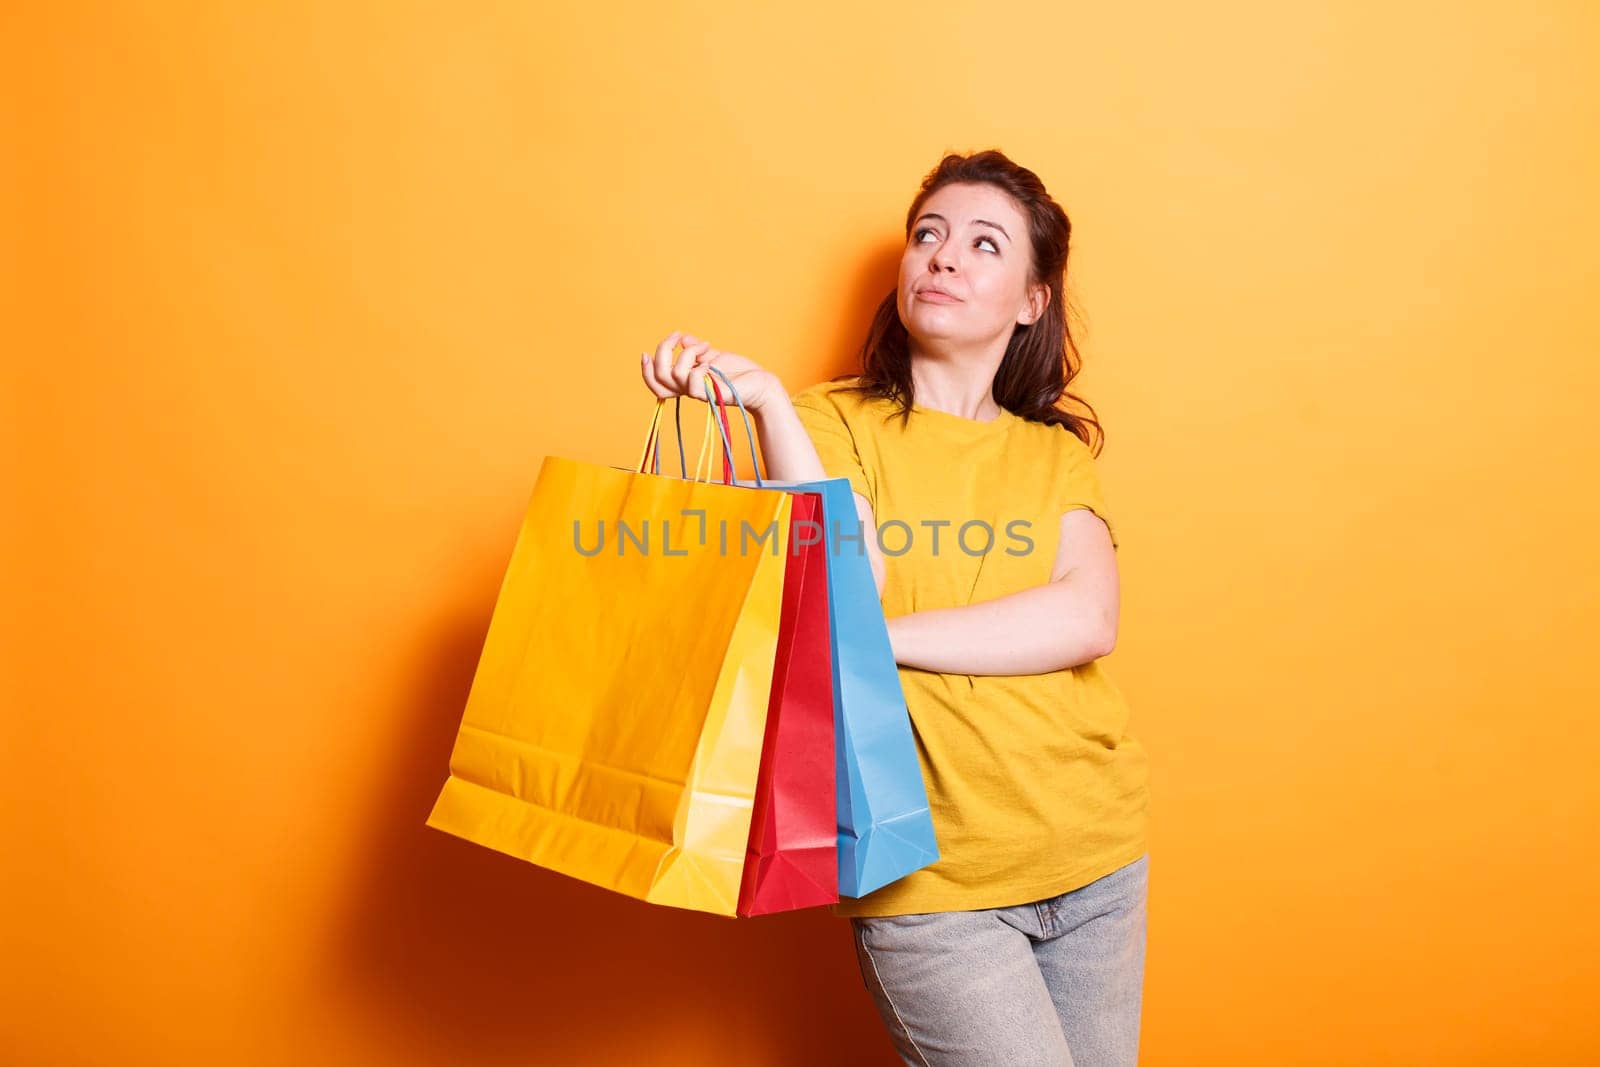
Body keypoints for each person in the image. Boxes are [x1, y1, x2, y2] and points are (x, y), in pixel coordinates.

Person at [639, 149, 1150, 1067]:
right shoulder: (827, 420)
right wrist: (764, 408)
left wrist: (878, 643)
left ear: (1033, 299)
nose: (944, 256)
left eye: (984, 243)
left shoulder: (1056, 453)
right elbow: (846, 590)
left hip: (1098, 853)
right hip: (935, 884)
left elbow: (1086, 618)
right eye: (928, 235)